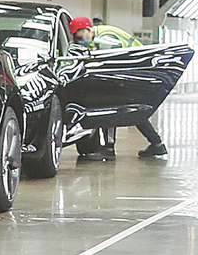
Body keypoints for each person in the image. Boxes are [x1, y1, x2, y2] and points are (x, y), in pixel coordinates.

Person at [69, 16, 168, 161]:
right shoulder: (97, 37)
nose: (79, 41)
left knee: (111, 107)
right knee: (133, 111)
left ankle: (109, 149)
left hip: (134, 71)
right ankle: (157, 144)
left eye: (80, 37)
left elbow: (109, 62)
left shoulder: (105, 38)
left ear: (88, 29)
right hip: (134, 70)